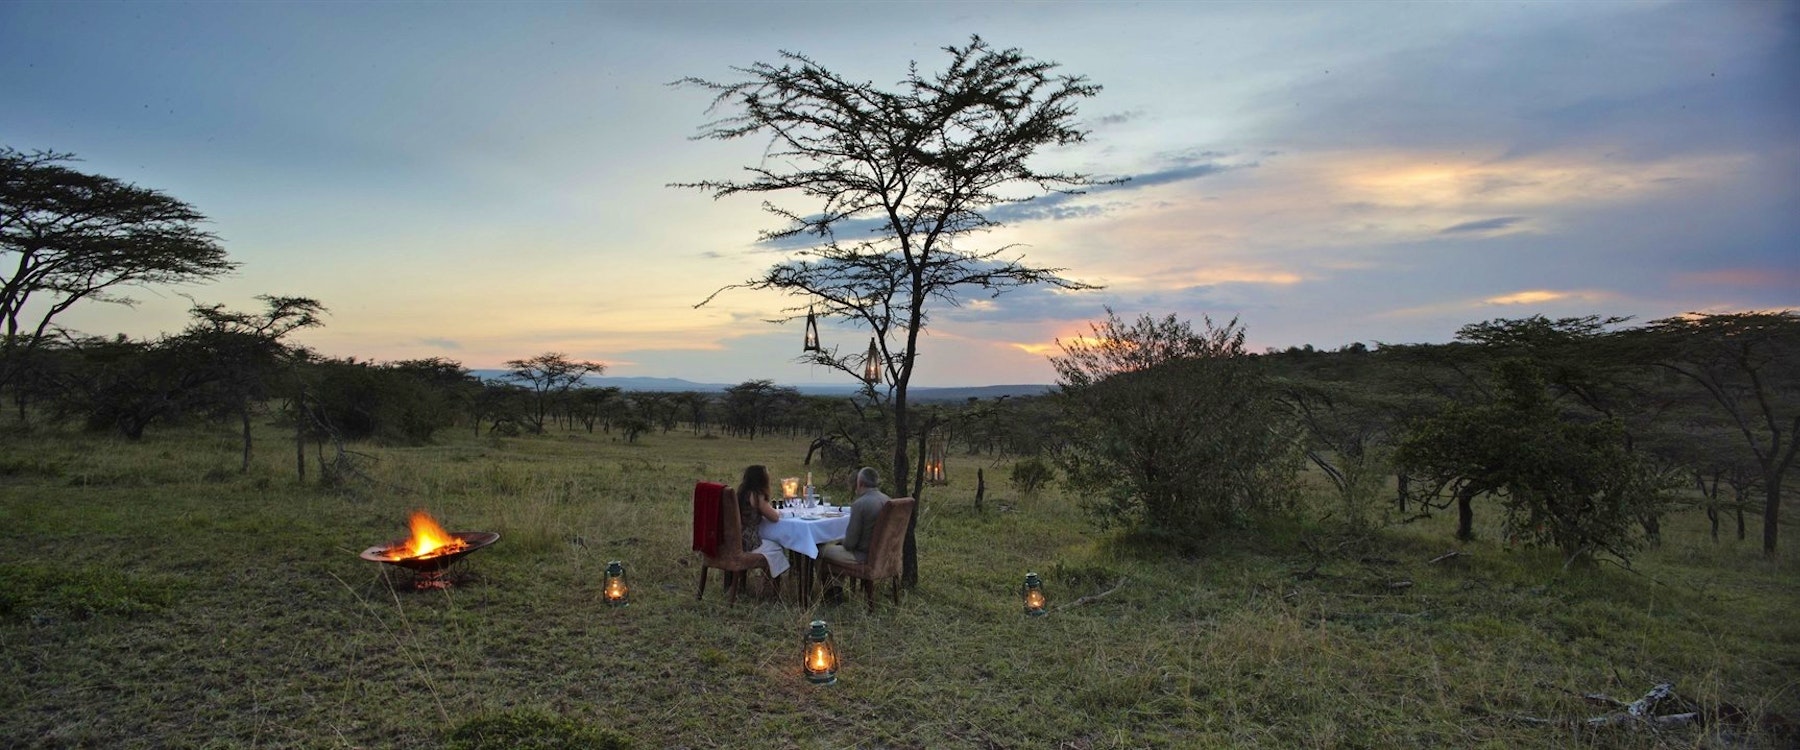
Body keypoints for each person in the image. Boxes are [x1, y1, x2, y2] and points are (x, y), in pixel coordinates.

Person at [818, 466, 890, 598]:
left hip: (862, 556)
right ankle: (835, 589)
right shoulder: (887, 500)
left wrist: (841, 541)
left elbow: (850, 544)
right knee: (837, 548)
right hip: (885, 554)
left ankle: (831, 591)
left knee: (818, 550)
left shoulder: (860, 504)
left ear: (860, 483)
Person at [736, 464, 789, 586]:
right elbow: (774, 517)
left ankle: (765, 580)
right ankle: (772, 585)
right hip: (749, 543)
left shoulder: (741, 493)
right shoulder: (756, 496)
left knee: (770, 543)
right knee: (777, 547)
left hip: (737, 540)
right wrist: (778, 511)